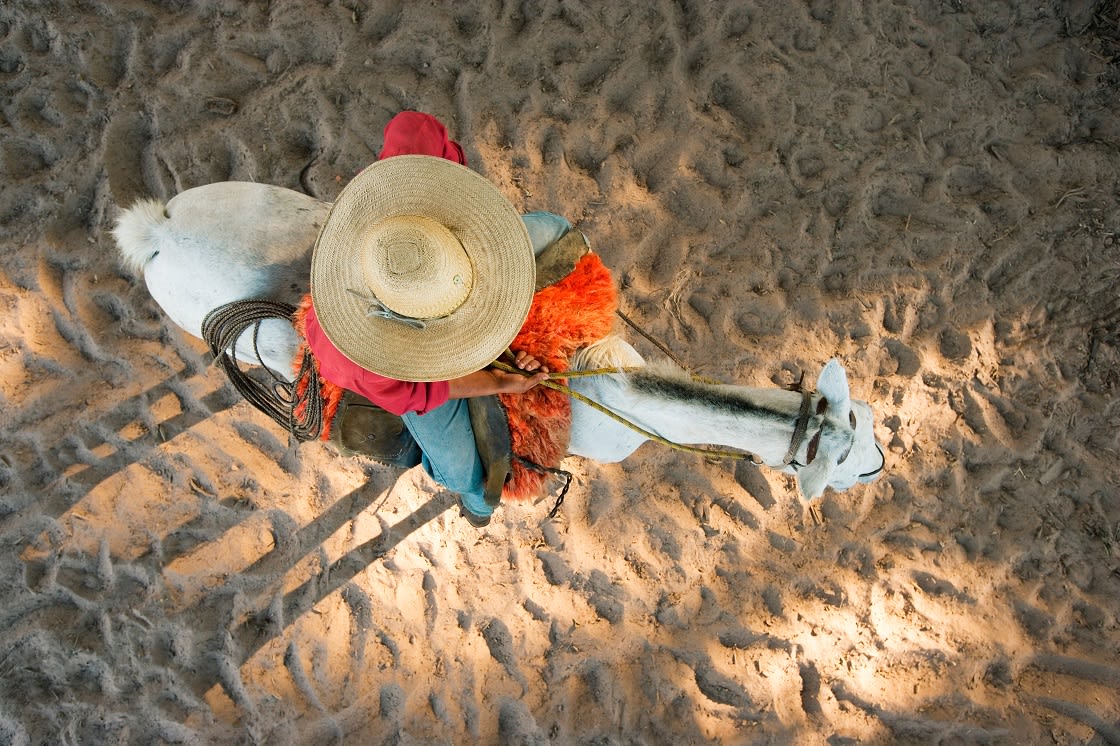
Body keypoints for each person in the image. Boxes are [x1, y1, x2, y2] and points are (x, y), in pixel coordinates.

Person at [302, 112, 567, 528]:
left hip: (449, 257)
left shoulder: (398, 173)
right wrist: (504, 382)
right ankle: (478, 503)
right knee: (466, 476)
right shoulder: (360, 354)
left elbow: (423, 137)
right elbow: (429, 388)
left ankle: (479, 502)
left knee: (554, 229)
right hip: (406, 336)